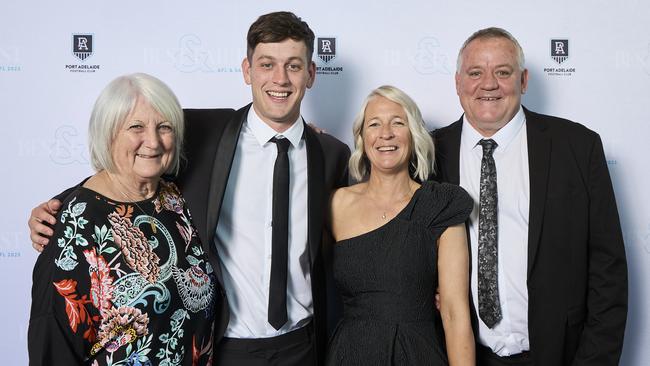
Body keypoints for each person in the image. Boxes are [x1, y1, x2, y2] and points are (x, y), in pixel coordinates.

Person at [28, 11, 350, 366]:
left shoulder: (333, 155)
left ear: (311, 74)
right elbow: (132, 159)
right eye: (266, 64)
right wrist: (61, 205)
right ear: (247, 71)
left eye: (293, 65)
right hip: (223, 346)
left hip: (302, 346)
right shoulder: (202, 132)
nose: (280, 78)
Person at [432, 27, 627, 365]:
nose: (488, 84)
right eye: (475, 72)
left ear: (523, 80)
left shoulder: (578, 147)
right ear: (458, 82)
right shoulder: (429, 153)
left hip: (557, 355)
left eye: (503, 72)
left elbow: (608, 271)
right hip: (461, 355)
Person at [28, 73, 216, 365]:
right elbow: (53, 345)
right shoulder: (74, 224)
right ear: (108, 134)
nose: (152, 141)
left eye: (164, 127)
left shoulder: (175, 196)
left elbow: (239, 125)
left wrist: (308, 137)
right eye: (136, 127)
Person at [327, 85, 475, 365]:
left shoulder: (440, 205)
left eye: (398, 122)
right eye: (374, 124)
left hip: (417, 353)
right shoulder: (336, 204)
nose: (386, 134)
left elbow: (455, 312)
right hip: (350, 354)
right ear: (362, 137)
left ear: (414, 134)